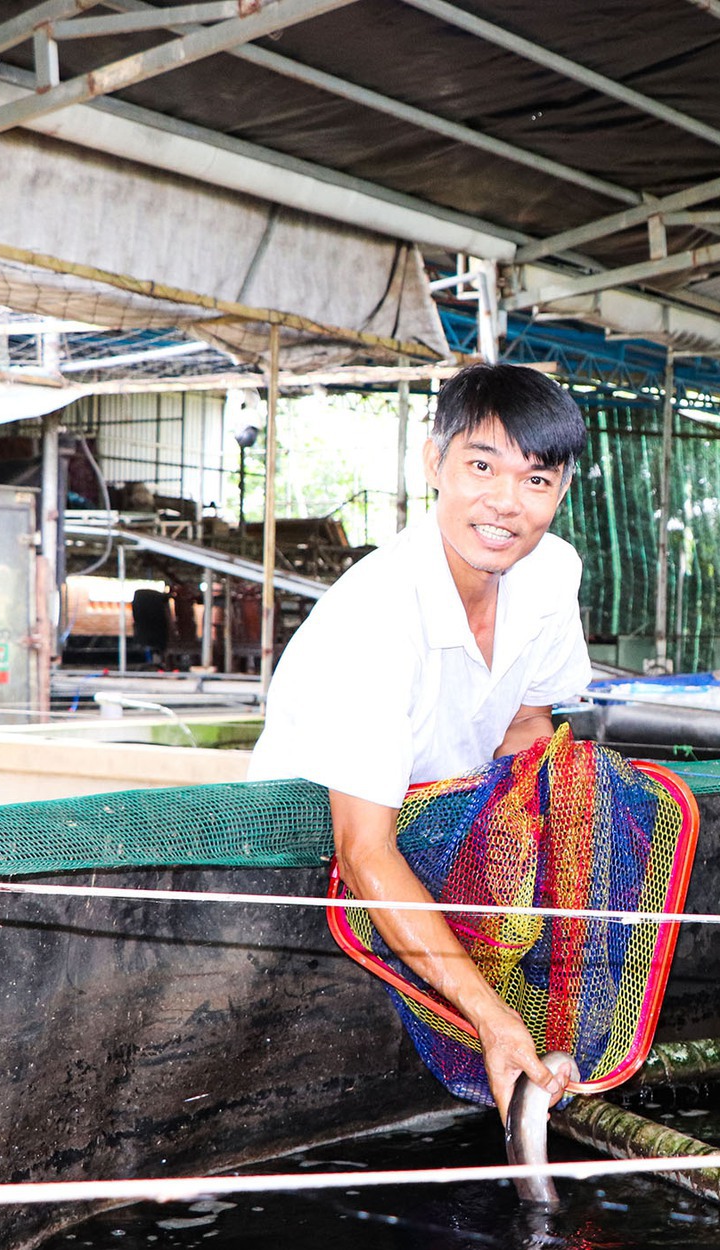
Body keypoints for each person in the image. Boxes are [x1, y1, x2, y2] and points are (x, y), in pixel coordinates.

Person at [248, 363, 592, 1119]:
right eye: (480, 467)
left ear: (561, 492)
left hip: (434, 842)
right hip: (308, 876)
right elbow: (363, 849)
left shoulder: (551, 574)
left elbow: (526, 722)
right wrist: (493, 1019)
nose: (505, 504)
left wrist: (530, 820)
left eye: (537, 480)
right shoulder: (374, 616)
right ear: (433, 462)